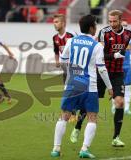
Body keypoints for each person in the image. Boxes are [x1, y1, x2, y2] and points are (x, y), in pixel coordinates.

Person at [51, 14, 113, 159]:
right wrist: (110, 87)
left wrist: (71, 75)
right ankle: (84, 149)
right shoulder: (96, 45)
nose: (96, 28)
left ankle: (56, 149)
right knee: (92, 118)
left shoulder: (71, 41)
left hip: (72, 85)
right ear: (92, 27)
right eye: (95, 26)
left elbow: (63, 60)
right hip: (89, 87)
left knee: (64, 116)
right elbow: (102, 69)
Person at [97, 10, 131, 147]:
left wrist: (120, 55)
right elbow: (99, 56)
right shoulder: (104, 33)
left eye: (114, 21)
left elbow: (123, 51)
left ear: (120, 20)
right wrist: (114, 56)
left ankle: (116, 137)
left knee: (120, 102)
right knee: (91, 101)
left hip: (117, 73)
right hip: (102, 71)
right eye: (110, 21)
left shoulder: (128, 34)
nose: (112, 24)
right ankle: (77, 126)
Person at [52, 13, 86, 144]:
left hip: (76, 68)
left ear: (63, 23)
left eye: (56, 22)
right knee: (67, 90)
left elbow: (82, 46)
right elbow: (56, 51)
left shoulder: (71, 35)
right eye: (54, 22)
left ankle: (73, 112)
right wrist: (57, 61)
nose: (54, 24)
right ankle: (71, 113)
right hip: (65, 69)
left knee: (75, 91)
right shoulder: (55, 37)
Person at [111, 20, 131, 115]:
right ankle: (114, 106)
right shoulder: (112, 38)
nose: (125, 27)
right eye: (123, 25)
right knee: (115, 88)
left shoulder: (130, 39)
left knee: (128, 87)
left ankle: (127, 108)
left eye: (126, 25)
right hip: (116, 66)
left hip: (127, 66)